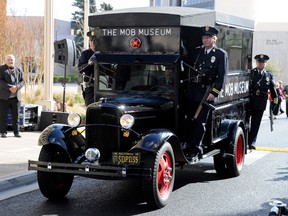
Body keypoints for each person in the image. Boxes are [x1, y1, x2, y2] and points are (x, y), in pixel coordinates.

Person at [185, 26, 228, 159]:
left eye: (209, 37)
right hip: (192, 91)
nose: (206, 40)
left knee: (200, 122)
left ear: (214, 39)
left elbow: (222, 77)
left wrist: (214, 93)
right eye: (204, 37)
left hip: (206, 92)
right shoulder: (197, 52)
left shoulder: (220, 54)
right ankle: (189, 145)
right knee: (189, 120)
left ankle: (197, 148)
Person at [248, 54, 278, 150]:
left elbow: (273, 90)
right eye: (259, 62)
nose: (261, 64)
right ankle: (246, 139)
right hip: (249, 101)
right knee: (246, 122)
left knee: (256, 124)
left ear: (265, 64)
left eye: (263, 62)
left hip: (261, 102)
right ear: (256, 63)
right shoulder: (251, 73)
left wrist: (275, 101)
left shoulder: (268, 75)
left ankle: (251, 142)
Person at [0, 54, 24, 138]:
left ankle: (16, 132)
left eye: (12, 59)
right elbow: (1, 81)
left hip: (16, 98)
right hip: (4, 98)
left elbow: (22, 81)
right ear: (5, 60)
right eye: (9, 59)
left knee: (16, 116)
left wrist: (16, 87)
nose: (10, 61)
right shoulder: (1, 69)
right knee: (3, 115)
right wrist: (10, 87)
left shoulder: (19, 69)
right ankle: (3, 132)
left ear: (14, 61)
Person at [78, 31, 96, 106]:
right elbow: (80, 68)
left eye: (94, 41)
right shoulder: (85, 54)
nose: (92, 43)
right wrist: (89, 64)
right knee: (90, 107)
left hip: (104, 87)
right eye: (91, 41)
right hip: (91, 86)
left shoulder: (104, 53)